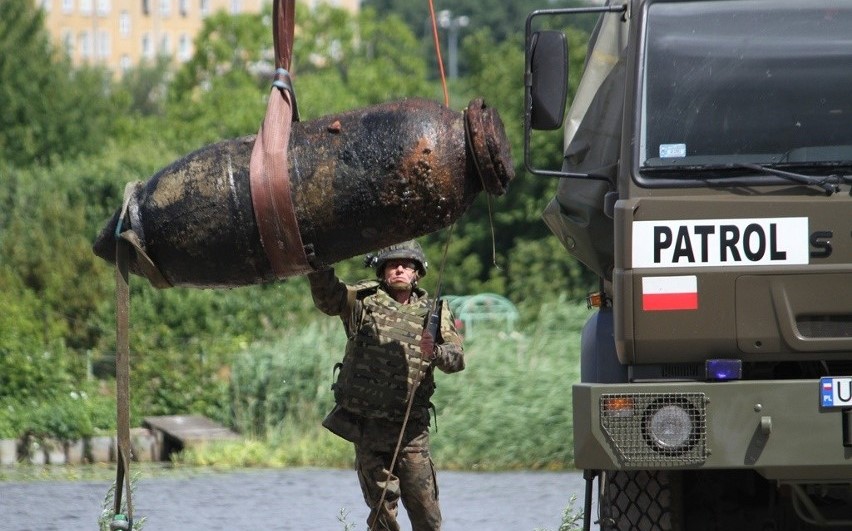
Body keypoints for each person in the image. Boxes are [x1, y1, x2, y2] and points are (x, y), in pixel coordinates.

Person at [307, 239, 465, 531]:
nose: (400, 268)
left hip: (411, 432)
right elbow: (329, 300)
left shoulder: (434, 313)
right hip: (368, 429)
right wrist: (318, 265)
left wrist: (436, 352)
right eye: (393, 264)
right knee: (383, 515)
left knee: (427, 516)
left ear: (418, 272)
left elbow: (456, 360)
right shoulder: (363, 301)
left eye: (407, 264)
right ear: (382, 270)